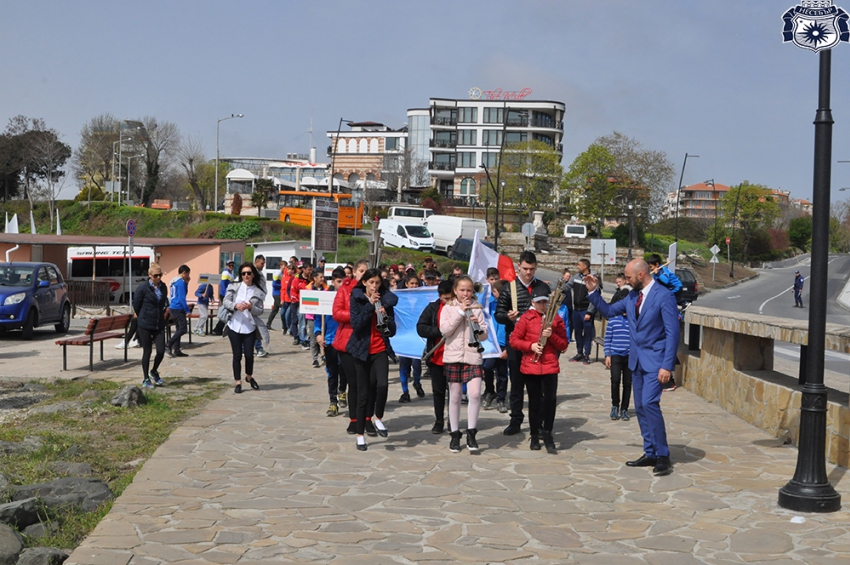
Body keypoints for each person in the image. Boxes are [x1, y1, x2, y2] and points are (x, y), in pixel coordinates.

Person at [584, 259, 679, 477]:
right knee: (641, 407)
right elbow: (609, 311)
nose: (626, 281)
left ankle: (663, 455)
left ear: (641, 274)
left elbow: (673, 332)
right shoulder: (632, 296)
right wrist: (593, 292)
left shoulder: (664, 296)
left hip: (656, 362)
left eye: (628, 277)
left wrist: (667, 365)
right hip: (635, 360)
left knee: (649, 403)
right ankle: (650, 452)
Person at [495, 250, 551, 436]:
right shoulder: (509, 288)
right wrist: (507, 316)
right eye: (525, 268)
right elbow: (498, 314)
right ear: (519, 266)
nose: (528, 272)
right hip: (516, 341)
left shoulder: (542, 287)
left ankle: (539, 421)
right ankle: (516, 419)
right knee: (517, 382)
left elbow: (551, 311)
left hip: (538, 342)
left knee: (539, 384)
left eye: (532, 269)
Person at [509, 285, 568, 453]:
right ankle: (534, 434)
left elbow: (563, 344)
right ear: (532, 302)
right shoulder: (526, 318)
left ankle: (548, 433)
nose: (542, 305)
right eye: (539, 302)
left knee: (550, 401)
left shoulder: (556, 319)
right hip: (531, 366)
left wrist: (552, 336)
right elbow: (514, 340)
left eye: (544, 302)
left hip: (549, 366)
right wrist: (531, 346)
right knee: (534, 403)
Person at [347, 268, 398, 452]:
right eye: (371, 283)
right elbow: (356, 325)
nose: (374, 286)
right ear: (364, 283)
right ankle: (360, 435)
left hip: (380, 349)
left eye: (377, 283)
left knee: (382, 385)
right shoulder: (357, 299)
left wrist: (385, 317)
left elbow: (392, 331)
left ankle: (378, 417)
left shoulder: (385, 301)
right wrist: (370, 306)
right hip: (362, 351)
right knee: (363, 394)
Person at [440, 275, 488, 453]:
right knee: (455, 396)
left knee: (474, 394)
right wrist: (460, 313)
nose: (466, 294)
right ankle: (455, 434)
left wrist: (478, 326)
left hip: (473, 356)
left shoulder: (477, 308)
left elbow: (484, 336)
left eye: (469, 290)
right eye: (462, 290)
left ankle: (471, 433)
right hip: (453, 356)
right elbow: (445, 331)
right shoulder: (448, 308)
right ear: (455, 291)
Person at [334, 260, 369, 435]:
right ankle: (354, 419)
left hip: (368, 340)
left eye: (366, 271)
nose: (363, 274)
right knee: (353, 383)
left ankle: (367, 419)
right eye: (361, 270)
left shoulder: (374, 290)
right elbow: (337, 313)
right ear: (354, 272)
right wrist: (356, 315)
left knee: (368, 383)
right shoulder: (345, 289)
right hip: (348, 340)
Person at [221, 262, 267, 394]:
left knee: (249, 355)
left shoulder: (258, 291)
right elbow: (226, 301)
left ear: (253, 275)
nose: (246, 275)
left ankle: (249, 376)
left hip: (249, 327)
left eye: (249, 273)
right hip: (234, 325)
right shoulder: (234, 286)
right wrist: (235, 306)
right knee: (237, 355)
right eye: (243, 273)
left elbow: (260, 311)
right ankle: (238, 382)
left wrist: (251, 307)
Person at [418, 280, 454, 434]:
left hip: (455, 357)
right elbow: (421, 327)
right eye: (446, 298)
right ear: (439, 296)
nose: (449, 301)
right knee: (438, 391)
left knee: (454, 392)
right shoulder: (432, 308)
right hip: (437, 356)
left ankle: (453, 420)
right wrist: (440, 331)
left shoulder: (460, 308)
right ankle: (439, 420)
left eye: (451, 298)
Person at [133, 263, 169, 388]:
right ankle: (145, 378)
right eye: (155, 275)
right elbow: (136, 305)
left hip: (158, 323)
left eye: (160, 275)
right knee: (147, 351)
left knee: (161, 350)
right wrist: (144, 315)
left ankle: (154, 371)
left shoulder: (163, 287)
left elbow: (163, 302)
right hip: (145, 323)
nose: (158, 277)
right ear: (149, 275)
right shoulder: (142, 288)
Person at [317, 268, 347, 417]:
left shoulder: (350, 298)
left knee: (344, 370)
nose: (341, 284)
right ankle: (333, 402)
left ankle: (342, 390)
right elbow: (318, 319)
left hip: (345, 340)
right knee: (332, 372)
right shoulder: (325, 298)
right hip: (329, 341)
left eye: (344, 281)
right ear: (333, 282)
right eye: (339, 281)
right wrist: (318, 334)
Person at [605, 273, 632, 422]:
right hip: (615, 354)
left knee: (627, 384)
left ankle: (624, 408)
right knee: (615, 381)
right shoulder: (613, 320)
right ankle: (615, 405)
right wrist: (607, 355)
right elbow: (608, 338)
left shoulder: (633, 321)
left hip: (629, 356)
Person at [565, 259, 598, 365]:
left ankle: (587, 354)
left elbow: (594, 297)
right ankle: (579, 353)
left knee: (587, 333)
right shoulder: (576, 277)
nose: (577, 266)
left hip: (585, 311)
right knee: (577, 332)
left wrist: (589, 312)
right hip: (576, 310)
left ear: (585, 266)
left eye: (579, 265)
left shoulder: (593, 279)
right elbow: (566, 286)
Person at [398, 275, 425, 403]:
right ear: (406, 284)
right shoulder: (400, 299)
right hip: (404, 337)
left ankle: (417, 382)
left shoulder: (422, 299)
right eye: (412, 283)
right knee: (404, 364)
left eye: (416, 283)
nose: (414, 286)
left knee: (416, 364)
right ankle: (405, 392)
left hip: (417, 337)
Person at [483, 276, 508, 413]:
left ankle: (501, 398)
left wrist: (509, 348)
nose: (493, 293)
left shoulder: (510, 308)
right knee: (487, 367)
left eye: (495, 291)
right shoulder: (490, 305)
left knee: (502, 373)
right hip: (491, 343)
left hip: (504, 344)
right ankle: (490, 390)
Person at [165, 265, 191, 358]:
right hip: (178, 308)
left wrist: (186, 283)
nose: (188, 276)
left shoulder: (174, 281)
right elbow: (182, 297)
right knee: (183, 329)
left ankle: (177, 349)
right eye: (188, 274)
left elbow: (183, 293)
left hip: (173, 307)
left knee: (178, 329)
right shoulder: (180, 282)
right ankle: (168, 344)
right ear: (184, 273)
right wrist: (187, 310)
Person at [307, 270, 327, 368]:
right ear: (315, 278)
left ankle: (323, 356)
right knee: (313, 339)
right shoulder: (308, 289)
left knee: (323, 337)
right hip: (312, 317)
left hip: (323, 317)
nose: (322, 279)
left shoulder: (326, 290)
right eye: (320, 277)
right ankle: (315, 359)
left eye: (323, 277)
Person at [210, 260, 235, 336]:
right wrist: (226, 295)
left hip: (228, 294)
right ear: (226, 265)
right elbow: (223, 284)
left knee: (227, 312)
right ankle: (218, 329)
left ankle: (219, 329)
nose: (231, 267)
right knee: (226, 312)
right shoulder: (225, 273)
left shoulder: (230, 274)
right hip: (225, 295)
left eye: (232, 265)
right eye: (229, 265)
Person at [251, 255, 269, 358]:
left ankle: (256, 348)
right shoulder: (250, 273)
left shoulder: (259, 274)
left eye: (264, 263)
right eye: (262, 263)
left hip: (257, 304)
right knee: (254, 326)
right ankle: (258, 348)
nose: (263, 265)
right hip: (251, 304)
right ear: (256, 262)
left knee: (253, 326)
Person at [267, 260, 285, 330]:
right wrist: (282, 286)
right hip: (277, 294)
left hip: (279, 293)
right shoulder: (278, 273)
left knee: (275, 310)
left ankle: (268, 324)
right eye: (284, 266)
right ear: (281, 266)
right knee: (284, 309)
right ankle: (285, 326)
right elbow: (274, 284)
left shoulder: (282, 273)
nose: (285, 268)